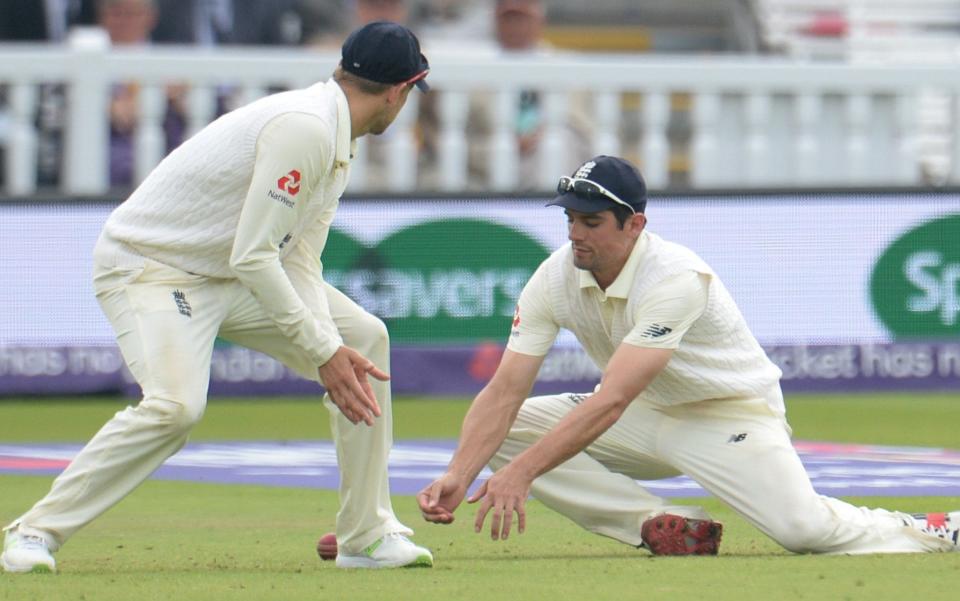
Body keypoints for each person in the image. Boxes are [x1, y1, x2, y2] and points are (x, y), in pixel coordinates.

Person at [1, 21, 434, 574]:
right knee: (177, 408)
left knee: (363, 338)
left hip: (228, 273)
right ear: (400, 90)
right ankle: (34, 531)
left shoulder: (336, 134)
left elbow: (296, 258)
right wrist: (321, 353)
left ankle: (365, 534)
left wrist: (329, 345)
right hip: (153, 267)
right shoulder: (305, 129)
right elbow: (254, 256)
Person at [417, 155, 959, 556]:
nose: (576, 236)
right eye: (571, 220)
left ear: (635, 225)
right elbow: (505, 391)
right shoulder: (555, 275)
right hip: (642, 415)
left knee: (805, 532)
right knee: (511, 427)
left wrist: (523, 474)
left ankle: (932, 527)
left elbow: (612, 398)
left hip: (725, 415)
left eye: (592, 222)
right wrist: (460, 473)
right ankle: (661, 524)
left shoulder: (675, 276)